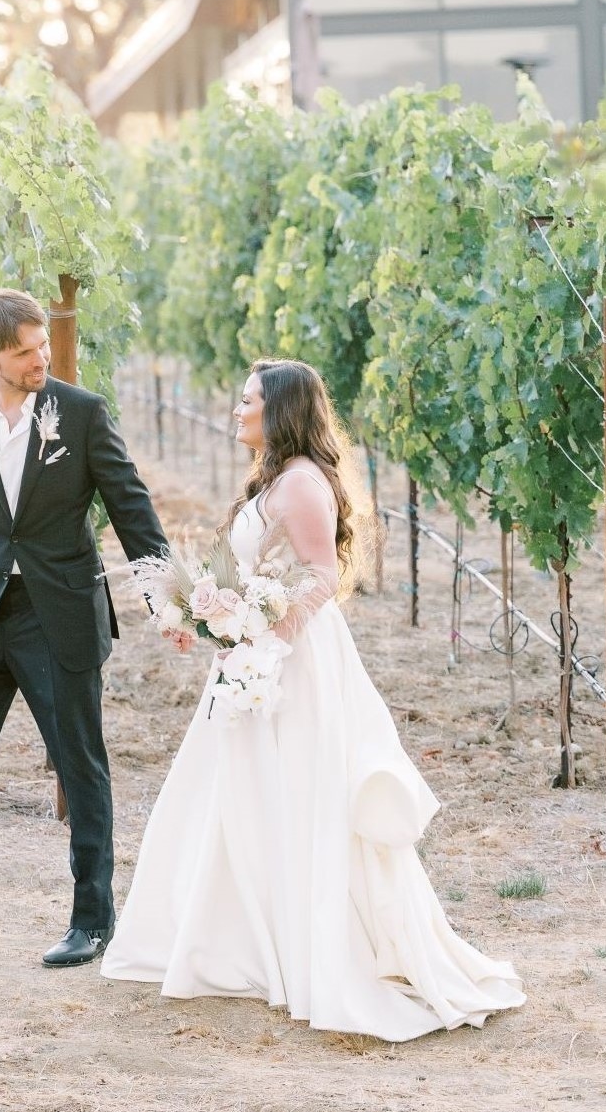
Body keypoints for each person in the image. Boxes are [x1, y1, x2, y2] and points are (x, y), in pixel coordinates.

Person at [100, 358, 524, 1041]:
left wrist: (263, 634)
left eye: (247, 401)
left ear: (281, 411)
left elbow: (322, 575)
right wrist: (207, 619)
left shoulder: (300, 484)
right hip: (254, 656)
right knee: (239, 793)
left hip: (287, 664)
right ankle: (245, 942)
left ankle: (294, 946)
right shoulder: (274, 478)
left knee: (294, 791)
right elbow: (253, 572)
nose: (236, 410)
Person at [0, 288, 169, 968]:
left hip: (61, 613)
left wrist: (164, 597)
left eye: (42, 344)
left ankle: (92, 919)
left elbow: (130, 506)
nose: (40, 358)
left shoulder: (78, 413)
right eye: (24, 351)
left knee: (79, 764)